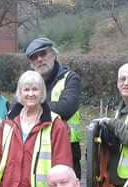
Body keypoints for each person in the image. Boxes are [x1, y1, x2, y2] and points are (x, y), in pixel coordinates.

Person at [0, 70, 72, 187]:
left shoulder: (55, 124)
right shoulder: (8, 121)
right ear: (19, 93)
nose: (30, 94)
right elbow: (1, 158)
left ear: (42, 93)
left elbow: (63, 163)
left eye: (35, 89)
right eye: (26, 89)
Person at [25, 37, 83, 179]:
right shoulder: (29, 81)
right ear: (31, 63)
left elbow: (66, 108)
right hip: (35, 148)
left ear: (54, 54)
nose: (39, 59)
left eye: (43, 54)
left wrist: (31, 107)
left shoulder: (70, 78)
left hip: (66, 148)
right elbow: (14, 109)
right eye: (34, 57)